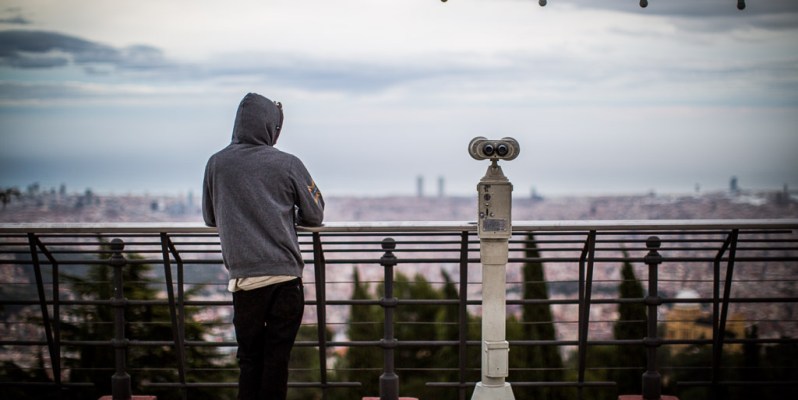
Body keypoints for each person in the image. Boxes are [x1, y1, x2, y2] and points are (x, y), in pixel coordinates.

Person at [202, 92, 324, 400]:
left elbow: (210, 217)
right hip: (284, 278)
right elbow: (315, 213)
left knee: (249, 360)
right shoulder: (287, 163)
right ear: (271, 127)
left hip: (244, 279)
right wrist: (286, 212)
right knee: (277, 360)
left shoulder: (216, 163)